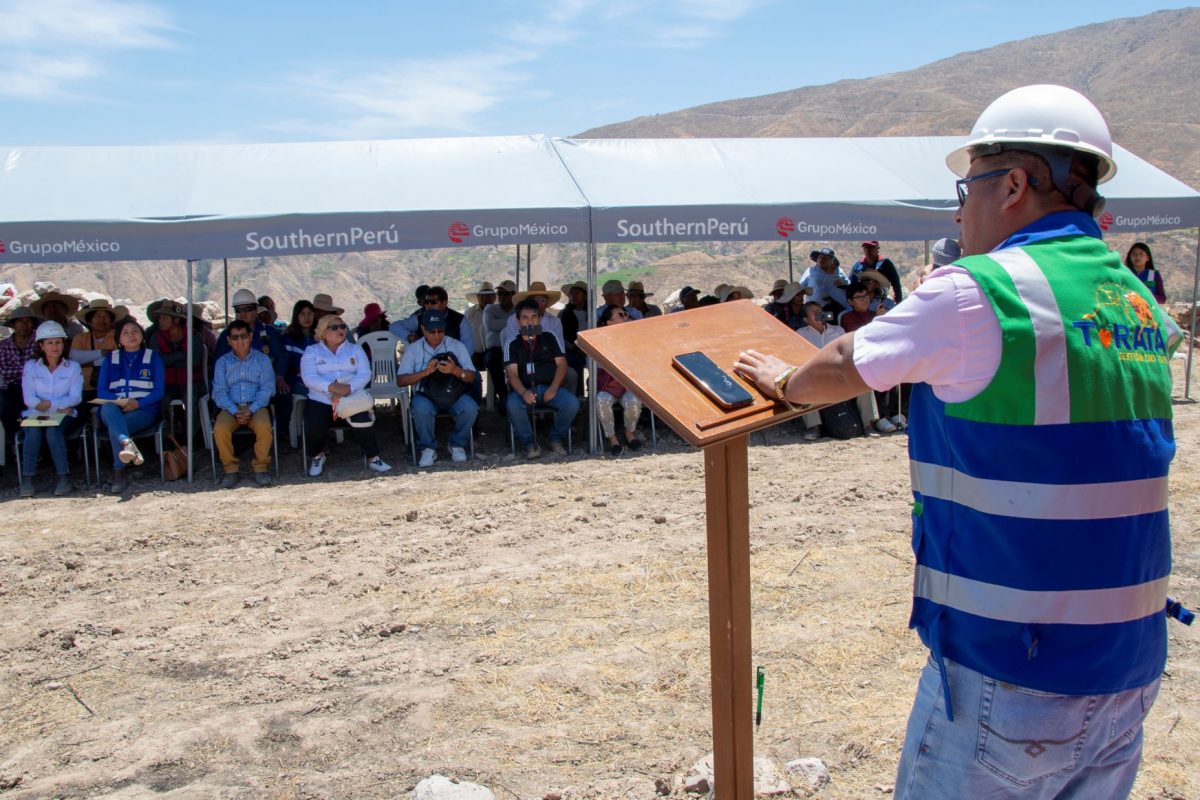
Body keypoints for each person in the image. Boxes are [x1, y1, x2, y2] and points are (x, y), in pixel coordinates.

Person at [735, 84, 1181, 799]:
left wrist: (786, 381)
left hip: (1016, 658)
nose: (958, 210)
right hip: (1128, 656)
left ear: (1014, 185)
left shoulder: (983, 289)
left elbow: (845, 364)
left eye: (966, 187)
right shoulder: (1134, 299)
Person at [300, 314, 391, 476]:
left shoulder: (355, 349)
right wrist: (332, 388)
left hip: (351, 396)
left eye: (342, 326)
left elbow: (365, 374)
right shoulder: (312, 351)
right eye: (334, 327)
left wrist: (348, 389)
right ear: (323, 332)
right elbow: (309, 377)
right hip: (321, 398)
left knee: (363, 419)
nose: (340, 330)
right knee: (313, 424)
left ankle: (373, 458)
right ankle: (317, 456)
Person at [792, 301, 891, 438]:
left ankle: (868, 424)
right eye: (813, 312)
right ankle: (814, 427)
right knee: (803, 384)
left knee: (863, 380)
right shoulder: (801, 334)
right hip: (816, 375)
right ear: (806, 319)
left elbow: (847, 353)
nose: (819, 313)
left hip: (838, 373)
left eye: (820, 310)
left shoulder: (838, 330)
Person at [396, 309, 478, 468]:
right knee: (420, 408)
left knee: (470, 407)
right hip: (426, 395)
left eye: (440, 331)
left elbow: (471, 377)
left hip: (454, 394)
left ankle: (457, 444)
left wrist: (455, 370)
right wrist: (425, 372)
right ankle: (428, 448)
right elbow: (401, 381)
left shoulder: (456, 346)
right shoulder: (414, 349)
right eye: (431, 331)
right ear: (423, 329)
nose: (436, 335)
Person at [96, 317, 166, 495]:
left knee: (115, 427)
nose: (131, 335)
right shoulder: (110, 359)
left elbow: (159, 391)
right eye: (125, 333)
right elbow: (102, 390)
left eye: (135, 331)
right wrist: (122, 401)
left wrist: (138, 403)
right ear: (119, 339)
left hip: (143, 411)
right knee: (108, 409)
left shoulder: (153, 357)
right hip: (116, 408)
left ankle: (119, 471)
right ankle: (127, 444)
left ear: (142, 335)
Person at [505, 298, 579, 459]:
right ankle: (530, 443)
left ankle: (555, 439)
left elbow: (562, 364)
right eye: (525, 317)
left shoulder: (549, 337)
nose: (530, 321)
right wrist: (523, 392)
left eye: (534, 317)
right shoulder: (512, 343)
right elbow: (511, 374)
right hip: (525, 390)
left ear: (539, 318)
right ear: (518, 321)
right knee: (512, 404)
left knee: (572, 403)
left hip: (548, 388)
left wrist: (554, 387)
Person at [19, 321, 84, 497]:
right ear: (41, 346)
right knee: (33, 432)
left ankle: (63, 477)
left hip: (65, 416)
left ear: (63, 344)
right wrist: (58, 406)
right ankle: (27, 479)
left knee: (53, 431)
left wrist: (47, 404)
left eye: (58, 342)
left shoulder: (73, 367)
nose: (55, 346)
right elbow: (30, 399)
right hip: (37, 414)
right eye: (50, 342)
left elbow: (75, 398)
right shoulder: (31, 366)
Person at [211, 319, 276, 488]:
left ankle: (261, 468)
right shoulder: (222, 362)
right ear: (228, 340)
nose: (240, 341)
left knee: (264, 426)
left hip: (256, 406)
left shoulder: (262, 360)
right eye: (235, 337)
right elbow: (219, 391)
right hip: (231, 407)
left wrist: (252, 409)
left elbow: (268, 388)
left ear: (251, 337)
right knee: (220, 429)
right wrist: (234, 411)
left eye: (243, 336)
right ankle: (230, 469)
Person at [147, 299, 206, 433]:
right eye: (160, 317)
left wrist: (169, 359)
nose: (160, 321)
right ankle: (169, 436)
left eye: (165, 318)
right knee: (162, 401)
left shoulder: (194, 336)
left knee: (190, 401)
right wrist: (181, 355)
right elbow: (157, 362)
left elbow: (195, 361)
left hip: (190, 381)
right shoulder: (156, 338)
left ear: (176, 320)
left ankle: (192, 436)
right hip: (167, 382)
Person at [594, 306, 644, 456]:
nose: (626, 317)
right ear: (609, 323)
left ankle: (629, 433)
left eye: (626, 314)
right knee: (602, 400)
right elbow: (597, 366)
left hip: (628, 384)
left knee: (634, 400)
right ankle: (612, 439)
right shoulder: (599, 339)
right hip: (609, 385)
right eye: (621, 315)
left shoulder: (634, 338)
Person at [1, 307, 44, 458]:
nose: (24, 325)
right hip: (11, 388)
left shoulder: (41, 343)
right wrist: (28, 369)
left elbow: (42, 368)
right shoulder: (4, 345)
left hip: (38, 388)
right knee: (5, 410)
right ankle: (15, 444)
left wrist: (18, 371)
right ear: (13, 324)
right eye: (20, 321)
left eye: (28, 321)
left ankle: (38, 450)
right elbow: (3, 371)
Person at [70, 299, 125, 400]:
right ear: (89, 320)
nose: (102, 320)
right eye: (97, 316)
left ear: (112, 320)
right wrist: (102, 353)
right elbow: (73, 360)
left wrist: (89, 362)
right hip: (84, 388)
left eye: (106, 316)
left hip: (114, 388)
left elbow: (122, 359)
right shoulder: (80, 338)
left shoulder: (120, 336)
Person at [278, 299, 317, 441]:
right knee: (318, 394)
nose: (307, 318)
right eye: (302, 314)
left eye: (310, 313)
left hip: (318, 378)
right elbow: (284, 361)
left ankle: (319, 433)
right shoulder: (288, 338)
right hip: (296, 379)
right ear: (296, 316)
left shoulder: (320, 337)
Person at [390, 285, 473, 352]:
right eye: (426, 302)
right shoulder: (419, 318)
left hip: (452, 363)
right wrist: (410, 336)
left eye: (433, 302)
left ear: (444, 303)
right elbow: (394, 326)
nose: (428, 305)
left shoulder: (460, 320)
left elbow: (468, 349)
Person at [484, 280, 518, 407]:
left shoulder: (519, 310)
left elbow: (520, 325)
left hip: (515, 348)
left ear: (514, 295)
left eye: (505, 294)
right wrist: (513, 322)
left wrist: (501, 322)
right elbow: (491, 325)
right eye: (499, 294)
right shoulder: (490, 308)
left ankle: (517, 394)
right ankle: (504, 397)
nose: (501, 297)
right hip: (495, 349)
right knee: (492, 362)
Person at [798, 248, 849, 313]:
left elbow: (849, 286)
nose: (821, 260)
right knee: (817, 319)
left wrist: (842, 283)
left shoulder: (839, 272)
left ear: (831, 260)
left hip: (836, 309)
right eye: (820, 257)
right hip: (814, 310)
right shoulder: (810, 271)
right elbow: (800, 288)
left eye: (825, 258)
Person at [559, 280, 590, 384]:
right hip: (571, 349)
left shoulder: (592, 313)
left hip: (591, 349)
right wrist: (576, 348)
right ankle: (578, 391)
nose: (573, 296)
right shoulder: (563, 314)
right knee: (574, 361)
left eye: (576, 293)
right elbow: (560, 336)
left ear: (585, 296)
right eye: (571, 294)